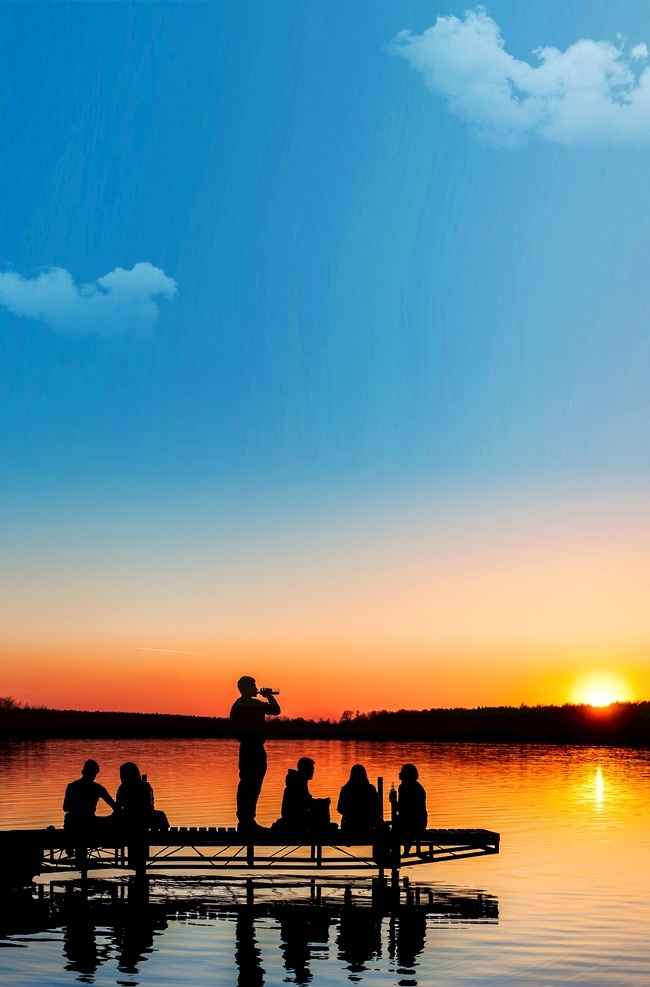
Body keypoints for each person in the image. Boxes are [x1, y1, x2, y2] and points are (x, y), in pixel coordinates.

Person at [230, 675, 281, 833]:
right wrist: (269, 696)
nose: (255, 688)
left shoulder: (237, 704)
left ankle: (245, 820)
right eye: (253, 686)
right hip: (254, 748)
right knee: (252, 785)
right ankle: (248, 822)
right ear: (246, 688)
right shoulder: (251, 703)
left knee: (246, 784)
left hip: (246, 748)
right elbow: (276, 710)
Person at [63, 759, 116, 854]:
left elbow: (65, 808)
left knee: (69, 818)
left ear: (83, 772)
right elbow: (114, 806)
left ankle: (72, 848)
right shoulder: (98, 788)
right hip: (89, 823)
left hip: (74, 823)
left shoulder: (72, 786)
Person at [278, 756, 331, 832]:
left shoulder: (300, 782)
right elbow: (305, 803)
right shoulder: (297, 784)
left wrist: (319, 802)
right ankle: (322, 831)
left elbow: (306, 802)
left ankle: (323, 828)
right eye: (311, 769)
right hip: (294, 819)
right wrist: (321, 802)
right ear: (305, 770)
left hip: (295, 817)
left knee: (322, 805)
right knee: (323, 806)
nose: (313, 771)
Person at [337, 764, 382, 834]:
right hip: (367, 826)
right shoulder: (370, 789)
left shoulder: (345, 789)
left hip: (349, 827)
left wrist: (349, 813)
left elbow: (339, 809)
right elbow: (378, 806)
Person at [388, 763, 428, 840]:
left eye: (402, 772)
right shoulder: (418, 787)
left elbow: (403, 810)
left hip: (413, 823)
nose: (400, 774)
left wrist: (393, 801)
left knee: (397, 827)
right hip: (421, 822)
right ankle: (405, 851)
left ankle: (397, 850)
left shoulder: (404, 788)